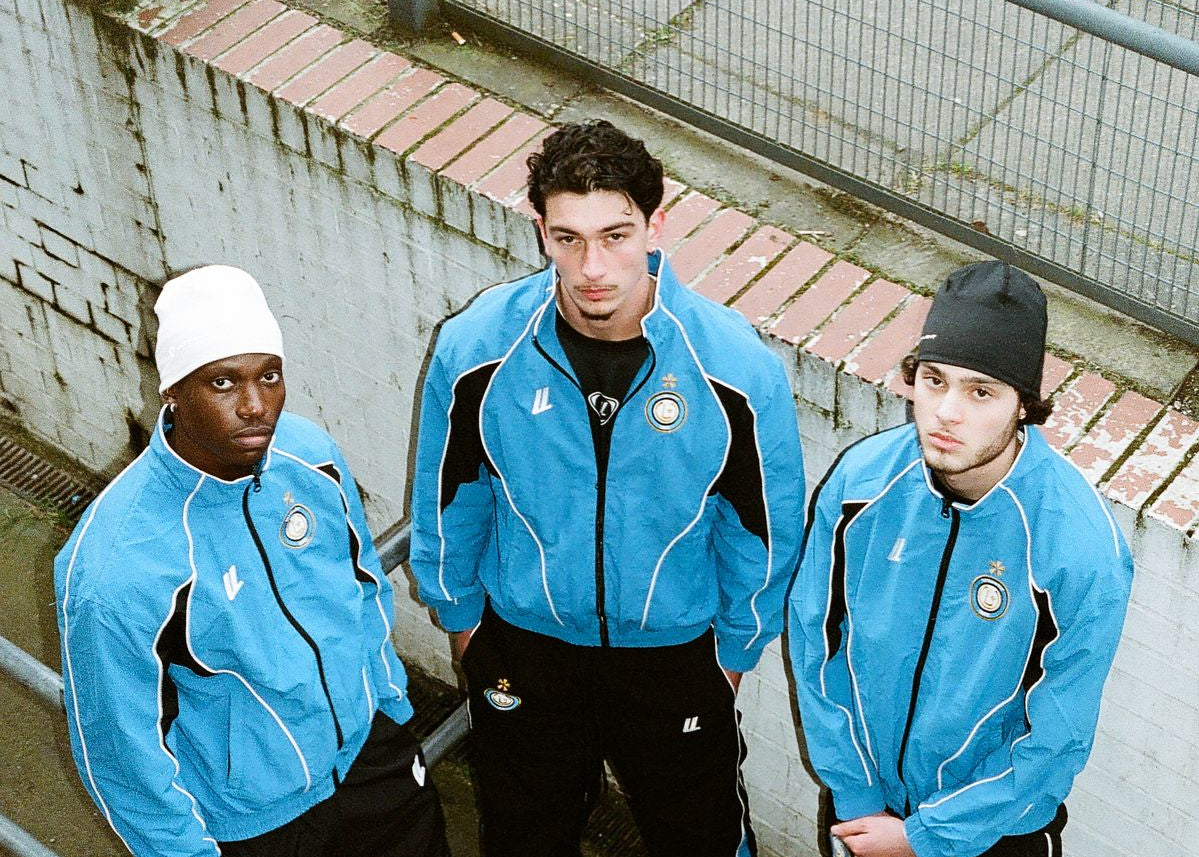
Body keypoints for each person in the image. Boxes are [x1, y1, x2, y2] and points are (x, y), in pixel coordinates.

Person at [409, 119, 805, 856]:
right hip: (523, 646)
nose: (592, 266)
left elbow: (762, 527)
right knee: (524, 841)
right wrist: (463, 621)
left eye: (615, 236)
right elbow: (450, 495)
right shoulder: (477, 349)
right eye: (568, 238)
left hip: (673, 656)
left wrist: (731, 654)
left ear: (656, 227)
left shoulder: (735, 371)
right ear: (540, 231)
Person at [54, 265, 449, 857]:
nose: (255, 406)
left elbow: (363, 583)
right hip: (257, 824)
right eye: (222, 382)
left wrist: (389, 705)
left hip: (374, 761)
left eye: (269, 375)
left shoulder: (310, 456)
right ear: (172, 390)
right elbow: (120, 754)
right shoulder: (117, 567)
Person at [789, 260, 1133, 857]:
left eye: (981, 392)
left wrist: (925, 837)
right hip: (865, 810)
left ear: (1023, 404)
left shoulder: (1079, 548)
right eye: (934, 380)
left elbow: (1057, 736)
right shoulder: (861, 484)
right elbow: (814, 636)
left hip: (991, 832)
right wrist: (856, 792)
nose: (947, 411)